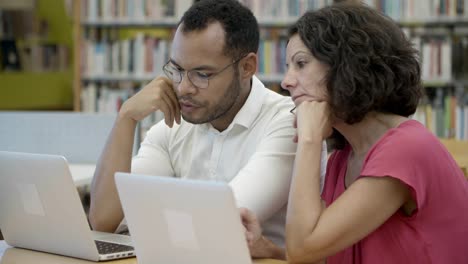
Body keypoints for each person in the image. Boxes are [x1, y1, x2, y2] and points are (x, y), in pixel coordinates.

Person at [88, 0, 327, 259]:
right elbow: (103, 221)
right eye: (177, 70)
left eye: (202, 74)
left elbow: (219, 226)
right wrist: (126, 118)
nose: (183, 88)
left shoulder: (286, 124)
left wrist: (150, 214)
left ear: (247, 67)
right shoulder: (175, 124)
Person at [242, 2, 468, 264]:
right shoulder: (343, 157)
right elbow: (328, 250)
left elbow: (303, 248)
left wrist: (310, 139)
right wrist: (270, 249)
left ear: (347, 64)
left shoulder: (407, 148)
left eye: (301, 64)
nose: (286, 81)